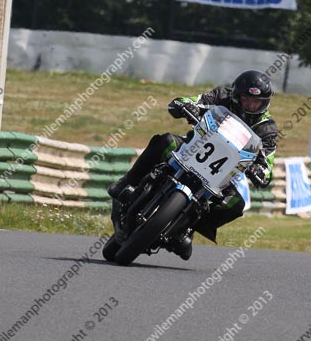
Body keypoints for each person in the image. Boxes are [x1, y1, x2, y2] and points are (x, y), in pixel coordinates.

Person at [108, 70, 278, 260]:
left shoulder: (267, 129)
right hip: (189, 150)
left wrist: (260, 171)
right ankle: (127, 182)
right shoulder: (222, 96)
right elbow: (191, 100)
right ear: (237, 95)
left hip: (221, 175)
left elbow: (267, 164)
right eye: (246, 99)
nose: (251, 105)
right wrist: (185, 105)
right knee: (164, 141)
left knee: (235, 204)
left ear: (266, 102)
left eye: (257, 102)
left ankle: (186, 228)